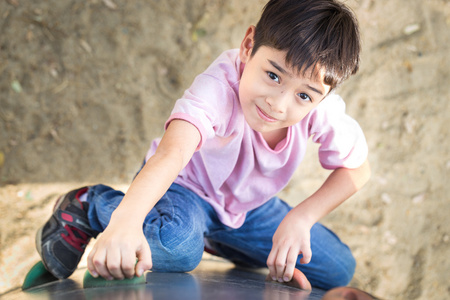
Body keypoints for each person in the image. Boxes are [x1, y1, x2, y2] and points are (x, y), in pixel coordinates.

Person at [35, 0, 371, 291]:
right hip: (184, 188)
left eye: (303, 96)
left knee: (338, 269)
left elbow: (358, 169)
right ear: (248, 45)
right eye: (273, 76)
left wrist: (302, 217)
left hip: (247, 207)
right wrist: (126, 222)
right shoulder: (218, 89)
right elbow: (172, 153)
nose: (279, 104)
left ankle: (220, 239)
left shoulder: (320, 107)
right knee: (179, 248)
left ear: (322, 96)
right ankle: (89, 205)